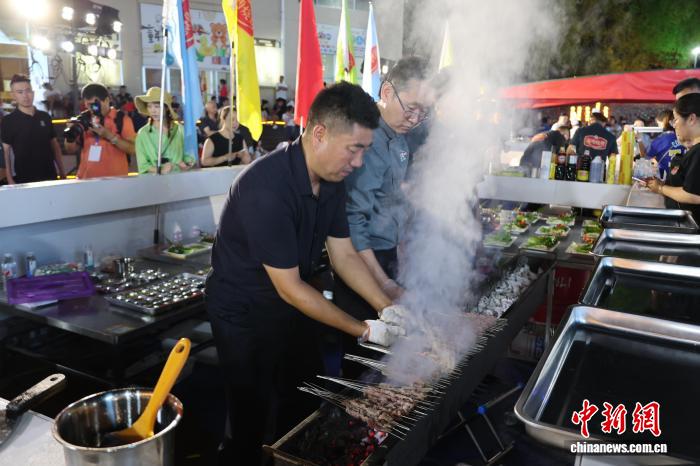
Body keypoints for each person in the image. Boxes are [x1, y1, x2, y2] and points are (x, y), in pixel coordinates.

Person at [205, 82, 408, 465]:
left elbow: (343, 255)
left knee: (305, 395)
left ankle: (292, 457)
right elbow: (290, 287)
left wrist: (385, 307)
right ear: (319, 134)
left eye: (365, 150)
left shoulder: (332, 181)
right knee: (249, 413)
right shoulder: (267, 187)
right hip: (244, 310)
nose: (359, 162)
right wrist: (364, 330)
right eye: (354, 149)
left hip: (291, 302)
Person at [340, 56, 433, 320]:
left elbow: (395, 199)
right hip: (362, 260)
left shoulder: (399, 138)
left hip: (388, 252)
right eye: (411, 109)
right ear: (387, 92)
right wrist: (383, 283)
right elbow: (353, 220)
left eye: (423, 113)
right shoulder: (367, 140)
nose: (414, 119)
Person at [1, 74, 65, 184]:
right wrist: (10, 179)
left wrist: (62, 172)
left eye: (28, 91)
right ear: (13, 95)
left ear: (33, 92)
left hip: (50, 177)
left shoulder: (45, 117)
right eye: (20, 92)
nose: (25, 96)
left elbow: (55, 146)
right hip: (24, 180)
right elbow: (6, 153)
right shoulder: (8, 121)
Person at [646, 94, 700, 223]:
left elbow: (693, 195)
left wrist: (660, 188)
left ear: (691, 119)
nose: (674, 125)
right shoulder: (694, 149)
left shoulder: (698, 151)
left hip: (692, 227)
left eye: (675, 120)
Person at [65, 83, 136, 179]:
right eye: (88, 105)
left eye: (95, 105)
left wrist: (109, 136)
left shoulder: (121, 119)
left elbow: (133, 149)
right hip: (86, 179)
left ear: (107, 100)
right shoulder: (83, 119)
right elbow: (70, 150)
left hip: (115, 180)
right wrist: (70, 136)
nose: (92, 109)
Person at [134, 87, 194, 174]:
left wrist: (185, 164)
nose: (153, 111)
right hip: (154, 180)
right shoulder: (143, 133)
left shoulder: (180, 130)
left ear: (166, 108)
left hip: (178, 178)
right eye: (149, 106)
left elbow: (189, 157)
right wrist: (160, 170)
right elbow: (142, 165)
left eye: (157, 106)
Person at [644, 110, 684, 180]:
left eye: (658, 124)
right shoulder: (683, 137)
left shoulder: (660, 140)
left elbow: (647, 155)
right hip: (682, 176)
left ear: (663, 122)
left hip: (665, 178)